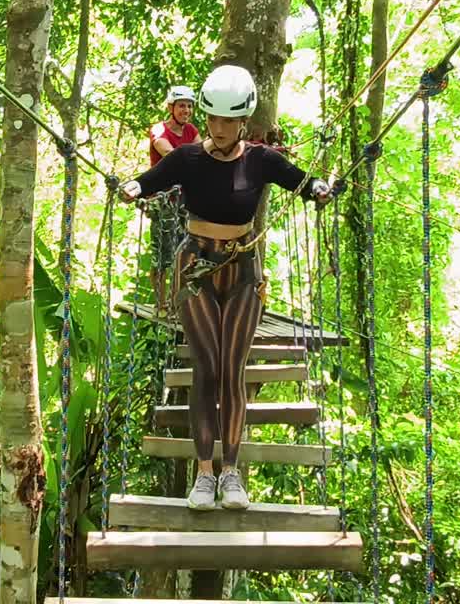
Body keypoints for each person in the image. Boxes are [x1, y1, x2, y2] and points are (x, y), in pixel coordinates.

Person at [120, 65, 332, 511]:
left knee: (232, 369)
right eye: (212, 119)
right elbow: (149, 180)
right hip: (196, 266)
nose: (218, 129)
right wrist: (132, 187)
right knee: (207, 367)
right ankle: (203, 475)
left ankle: (231, 475)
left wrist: (318, 188)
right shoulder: (187, 159)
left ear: (243, 121)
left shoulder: (261, 160)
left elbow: (299, 180)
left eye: (228, 121)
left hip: (243, 270)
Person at [146, 85, 199, 315]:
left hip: (184, 200)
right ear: (171, 108)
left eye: (189, 106)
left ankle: (177, 300)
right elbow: (169, 153)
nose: (185, 110)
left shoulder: (191, 131)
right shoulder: (160, 130)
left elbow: (203, 153)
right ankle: (161, 303)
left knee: (184, 250)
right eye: (181, 106)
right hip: (163, 199)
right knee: (162, 253)